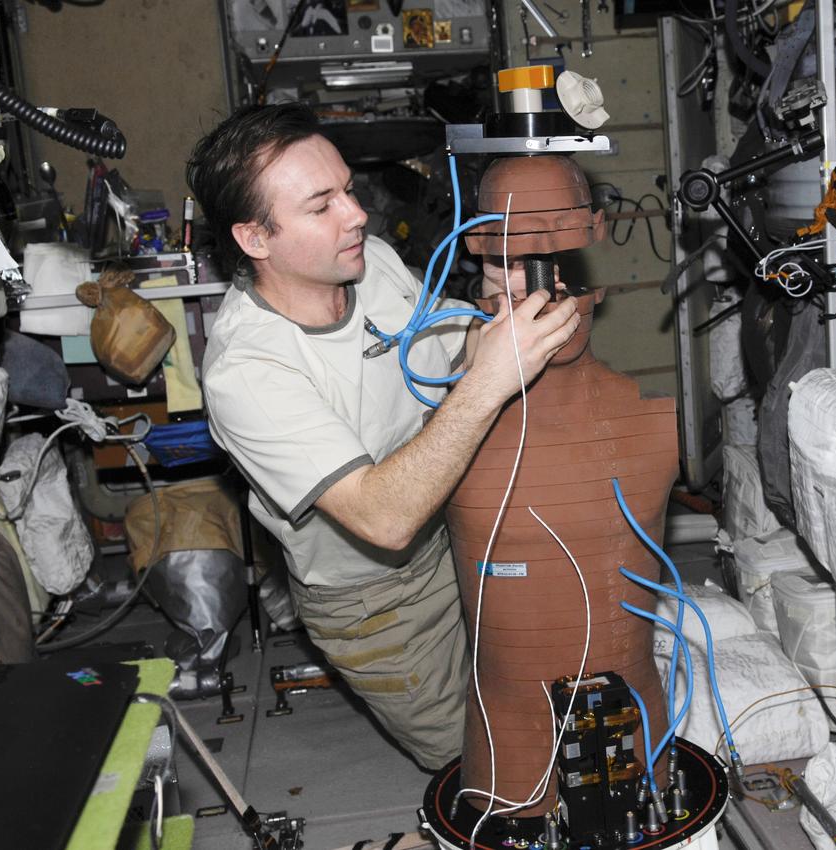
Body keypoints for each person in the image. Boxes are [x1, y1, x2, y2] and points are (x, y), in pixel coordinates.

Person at [187, 103, 580, 769]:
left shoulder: (367, 261)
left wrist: (493, 307)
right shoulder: (248, 371)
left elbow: (444, 351)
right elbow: (385, 517)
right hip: (378, 601)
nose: (356, 214)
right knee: (484, 765)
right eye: (322, 205)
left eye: (347, 188)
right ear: (256, 238)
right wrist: (491, 376)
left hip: (457, 529)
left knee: (545, 703)